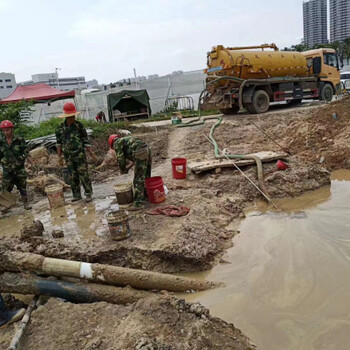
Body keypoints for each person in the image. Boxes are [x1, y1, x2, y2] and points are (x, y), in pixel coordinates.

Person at [55, 102, 96, 203]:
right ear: (66, 116)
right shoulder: (60, 128)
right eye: (70, 116)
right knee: (72, 176)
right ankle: (76, 194)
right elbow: (58, 143)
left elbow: (85, 140)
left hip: (79, 154)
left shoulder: (79, 126)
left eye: (73, 116)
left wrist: (91, 152)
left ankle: (88, 193)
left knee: (83, 174)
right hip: (68, 156)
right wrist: (59, 157)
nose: (72, 118)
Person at [108, 134, 151, 209]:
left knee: (138, 179)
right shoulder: (126, 141)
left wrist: (122, 169)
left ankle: (138, 204)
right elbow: (134, 160)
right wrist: (127, 168)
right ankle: (147, 195)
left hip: (140, 152)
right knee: (146, 176)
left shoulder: (117, 143)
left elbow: (120, 159)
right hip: (147, 150)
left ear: (112, 144)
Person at [0, 120, 33, 210]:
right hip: (7, 170)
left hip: (19, 169)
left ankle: (26, 204)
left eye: (7, 130)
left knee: (22, 187)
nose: (6, 132)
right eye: (4, 131)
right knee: (5, 189)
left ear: (12, 129)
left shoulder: (19, 140)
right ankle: (5, 206)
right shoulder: (1, 142)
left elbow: (26, 152)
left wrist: (32, 163)